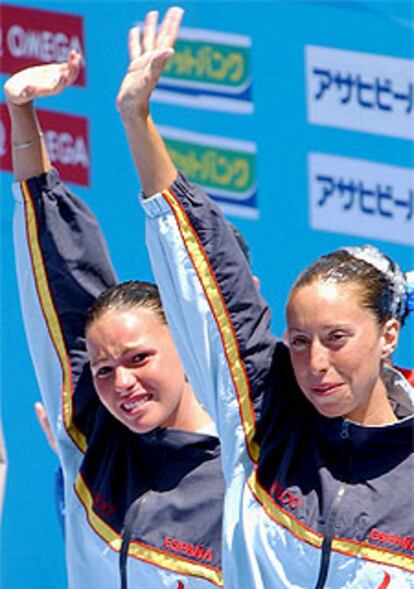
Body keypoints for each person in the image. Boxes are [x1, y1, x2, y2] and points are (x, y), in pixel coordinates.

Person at [114, 7, 414, 588]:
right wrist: (137, 119)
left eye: (337, 339)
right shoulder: (262, 419)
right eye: (299, 341)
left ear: (388, 335)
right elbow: (204, 275)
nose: (315, 364)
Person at [4, 19, 225, 589]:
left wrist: (137, 118)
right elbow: (61, 277)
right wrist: (21, 114)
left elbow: (205, 268)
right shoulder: (91, 439)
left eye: (138, 359)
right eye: (103, 369)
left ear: (182, 339)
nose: (120, 382)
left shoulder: (251, 473)